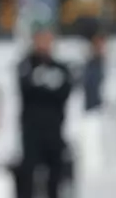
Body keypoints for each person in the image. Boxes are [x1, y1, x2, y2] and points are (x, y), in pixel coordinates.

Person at [13, 25, 73, 198]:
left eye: (48, 40)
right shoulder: (25, 65)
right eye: (41, 39)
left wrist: (43, 85)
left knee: (56, 175)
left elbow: (64, 92)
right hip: (32, 131)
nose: (44, 44)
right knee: (28, 176)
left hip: (54, 130)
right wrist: (48, 86)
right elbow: (27, 88)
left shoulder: (60, 67)